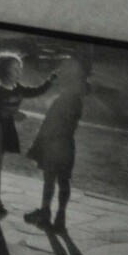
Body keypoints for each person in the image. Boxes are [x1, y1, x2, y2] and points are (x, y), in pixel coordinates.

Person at [0, 52, 55, 218]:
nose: (18, 72)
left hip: (2, 131)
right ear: (3, 72)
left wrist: (49, 82)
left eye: (19, 69)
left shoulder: (18, 88)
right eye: (15, 69)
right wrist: (15, 114)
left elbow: (35, 92)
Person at [23, 56, 88, 232]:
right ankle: (60, 216)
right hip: (67, 145)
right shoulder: (76, 99)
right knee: (63, 181)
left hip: (54, 145)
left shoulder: (65, 99)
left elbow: (51, 125)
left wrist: (39, 146)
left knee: (50, 181)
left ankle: (45, 214)